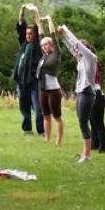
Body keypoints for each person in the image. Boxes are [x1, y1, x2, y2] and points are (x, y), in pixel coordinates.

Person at [59, 24, 98, 163]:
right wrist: (63, 37)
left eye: (79, 49)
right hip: (81, 92)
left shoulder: (90, 58)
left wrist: (67, 30)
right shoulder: (81, 59)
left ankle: (87, 156)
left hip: (87, 93)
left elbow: (76, 43)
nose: (77, 51)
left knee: (83, 123)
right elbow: (72, 47)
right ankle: (85, 153)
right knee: (82, 123)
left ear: (85, 48)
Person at [13, 4, 44, 135]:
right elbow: (20, 26)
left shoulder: (39, 46)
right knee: (24, 106)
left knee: (38, 107)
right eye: (27, 33)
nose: (28, 35)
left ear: (35, 35)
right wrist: (22, 10)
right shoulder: (24, 44)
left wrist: (36, 12)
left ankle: (41, 130)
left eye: (31, 34)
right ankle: (27, 129)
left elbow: (41, 29)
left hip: (34, 81)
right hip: (22, 81)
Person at [37, 15, 64, 145]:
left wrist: (48, 20)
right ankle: (47, 138)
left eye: (46, 44)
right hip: (43, 89)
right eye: (42, 45)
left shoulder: (56, 53)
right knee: (45, 115)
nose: (43, 46)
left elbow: (52, 35)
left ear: (51, 45)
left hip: (54, 90)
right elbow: (40, 34)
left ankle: (58, 140)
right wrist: (38, 17)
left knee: (57, 116)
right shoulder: (44, 56)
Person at [90, 59, 105, 154]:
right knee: (93, 123)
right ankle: (95, 143)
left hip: (97, 96)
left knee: (98, 123)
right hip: (93, 95)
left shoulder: (92, 63)